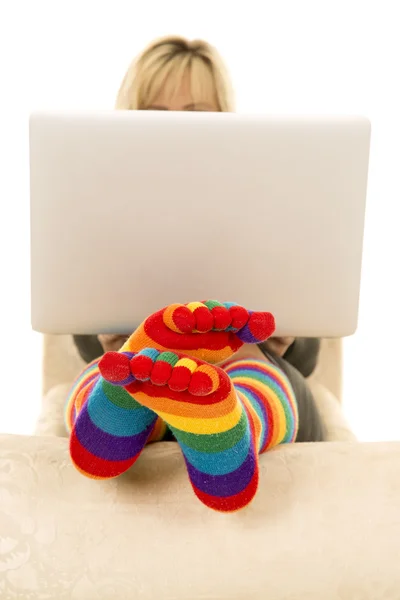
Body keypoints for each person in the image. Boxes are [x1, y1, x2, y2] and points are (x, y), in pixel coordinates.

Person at [68, 36, 325, 513]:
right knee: (112, 371)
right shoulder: (102, 204)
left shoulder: (268, 201)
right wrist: (108, 338)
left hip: (249, 360)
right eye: (157, 114)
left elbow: (312, 351)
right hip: (147, 362)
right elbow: (77, 325)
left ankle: (226, 424)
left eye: (195, 111)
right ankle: (121, 415)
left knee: (249, 363)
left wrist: (283, 335)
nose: (176, 128)